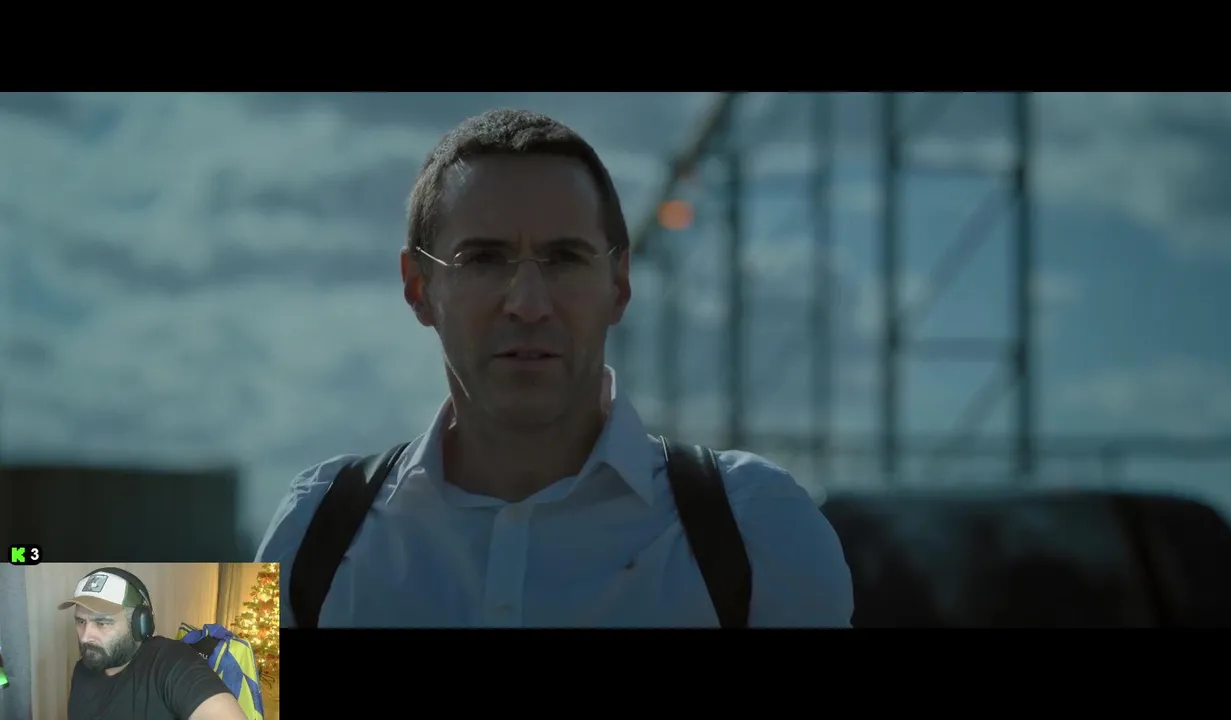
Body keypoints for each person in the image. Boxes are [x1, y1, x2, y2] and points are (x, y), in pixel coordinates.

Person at [256, 108, 854, 627]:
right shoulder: (305, 525)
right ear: (418, 288)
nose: (528, 303)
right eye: (484, 259)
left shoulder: (761, 525)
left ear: (619, 285)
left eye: (565, 258)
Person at [60, 568, 247, 720]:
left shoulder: (172, 662)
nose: (85, 637)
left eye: (102, 623)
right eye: (81, 621)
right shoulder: (83, 669)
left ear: (140, 625)